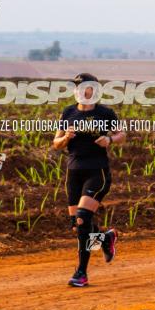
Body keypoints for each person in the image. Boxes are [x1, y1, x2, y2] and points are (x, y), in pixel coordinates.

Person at [52, 73, 125, 287]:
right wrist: (65, 139)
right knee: (77, 226)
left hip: (97, 172)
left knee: (83, 217)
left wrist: (109, 139)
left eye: (86, 87)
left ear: (94, 89)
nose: (82, 90)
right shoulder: (68, 113)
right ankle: (105, 238)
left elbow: (122, 135)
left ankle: (81, 273)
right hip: (73, 172)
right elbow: (55, 143)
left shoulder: (105, 113)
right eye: (78, 87)